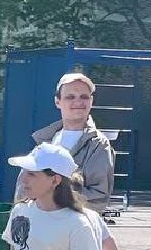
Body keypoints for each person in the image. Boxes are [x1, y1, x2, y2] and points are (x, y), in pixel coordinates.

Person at [27, 73, 115, 206]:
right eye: (70, 97)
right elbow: (24, 186)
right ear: (57, 102)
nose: (78, 102)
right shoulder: (45, 140)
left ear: (91, 101)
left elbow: (98, 196)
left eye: (84, 97)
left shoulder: (98, 146)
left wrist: (51, 203)